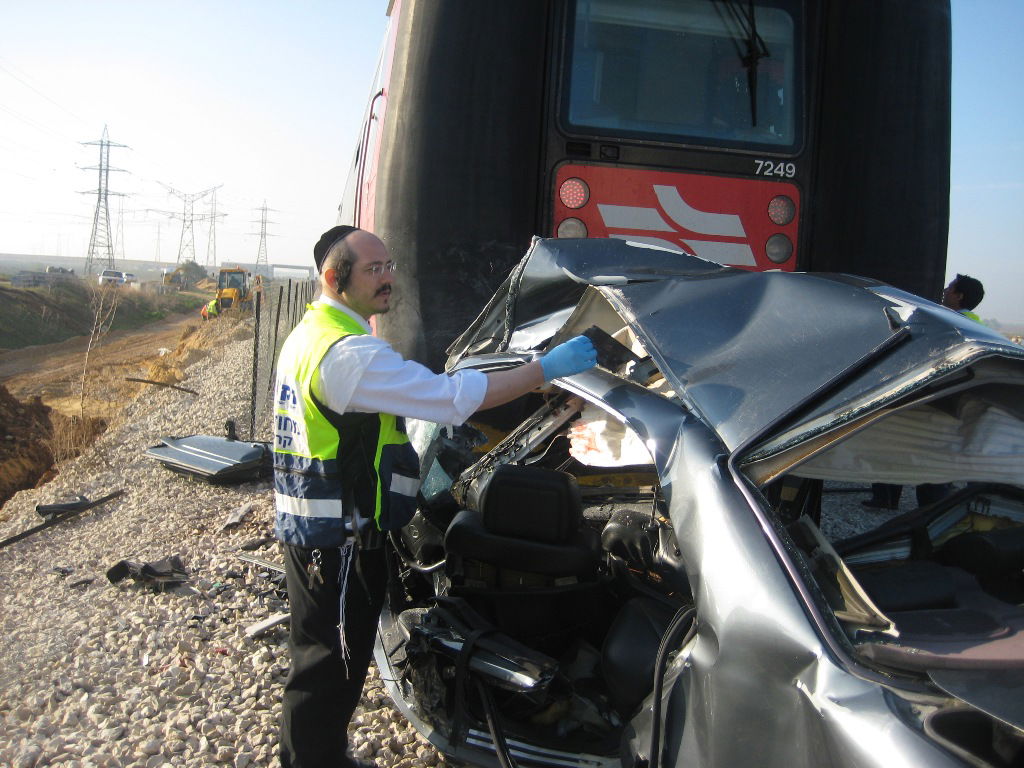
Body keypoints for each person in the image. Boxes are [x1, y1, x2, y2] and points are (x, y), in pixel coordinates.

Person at [272, 225, 597, 768]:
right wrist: (543, 369)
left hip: (314, 532)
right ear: (335, 278)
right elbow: (452, 399)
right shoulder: (349, 356)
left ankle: (318, 755)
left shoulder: (311, 335)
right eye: (373, 269)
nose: (388, 277)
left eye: (389, 265)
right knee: (330, 668)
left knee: (323, 662)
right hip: (341, 543)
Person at [862, 273, 985, 510]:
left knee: (914, 453)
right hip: (954, 401)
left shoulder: (950, 324)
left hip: (935, 399)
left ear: (959, 296)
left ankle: (923, 511)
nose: (944, 291)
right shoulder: (977, 325)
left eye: (950, 288)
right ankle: (923, 508)